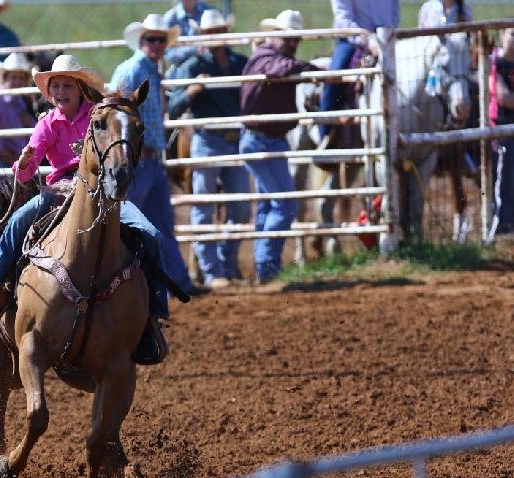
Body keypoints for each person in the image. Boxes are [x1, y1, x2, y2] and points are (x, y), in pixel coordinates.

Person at [0, 54, 190, 364]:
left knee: (151, 233)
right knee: (17, 222)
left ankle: (153, 315)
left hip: (100, 193)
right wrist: (26, 162)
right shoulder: (47, 123)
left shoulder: (98, 116)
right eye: (55, 86)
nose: (60, 91)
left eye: (67, 85)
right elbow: (26, 174)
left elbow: (117, 148)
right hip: (59, 191)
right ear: (49, 93)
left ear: (81, 90)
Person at [110, 14, 202, 299]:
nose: (157, 44)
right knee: (132, 224)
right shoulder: (134, 68)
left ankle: (177, 283)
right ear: (142, 41)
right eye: (152, 39)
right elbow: (115, 109)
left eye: (161, 39)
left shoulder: (148, 68)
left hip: (150, 159)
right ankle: (124, 285)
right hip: (137, 160)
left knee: (159, 225)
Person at [167, 9, 249, 289]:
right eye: (210, 32)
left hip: (234, 140)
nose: (216, 36)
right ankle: (212, 271)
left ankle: (226, 263)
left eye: (219, 32)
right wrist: (191, 91)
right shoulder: (193, 65)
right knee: (203, 206)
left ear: (226, 34)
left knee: (239, 209)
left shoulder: (241, 63)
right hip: (207, 139)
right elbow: (174, 107)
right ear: (203, 35)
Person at [240, 10, 319, 284]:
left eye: (295, 38)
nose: (292, 42)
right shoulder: (264, 57)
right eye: (287, 37)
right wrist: (309, 69)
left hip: (269, 139)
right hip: (261, 139)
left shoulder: (273, 57)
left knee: (269, 205)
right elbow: (277, 69)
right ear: (274, 34)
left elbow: (283, 67)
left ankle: (265, 269)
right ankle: (267, 263)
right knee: (285, 203)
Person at [320, 0, 399, 140]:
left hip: (387, 40)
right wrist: (368, 40)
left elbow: (394, 14)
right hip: (352, 40)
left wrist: (388, 36)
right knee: (335, 75)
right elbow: (343, 19)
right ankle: (326, 134)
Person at [0, 53, 36, 234]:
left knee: (11, 209)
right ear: (5, 78)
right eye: (13, 77)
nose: (17, 81)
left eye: (21, 77)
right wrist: (3, 152)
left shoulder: (18, 101)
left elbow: (30, 127)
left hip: (14, 161)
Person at [491, 27, 514, 234]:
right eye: (513, 34)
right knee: (508, 175)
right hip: (502, 129)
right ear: (501, 35)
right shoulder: (496, 64)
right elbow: (504, 98)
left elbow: (513, 100)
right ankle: (503, 224)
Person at [162, 0, 216, 69]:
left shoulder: (210, 11)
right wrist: (195, 49)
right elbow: (169, 55)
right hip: (181, 67)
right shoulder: (170, 18)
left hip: (212, 63)